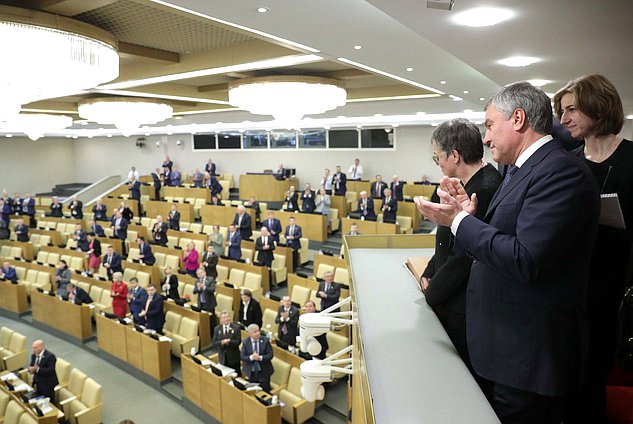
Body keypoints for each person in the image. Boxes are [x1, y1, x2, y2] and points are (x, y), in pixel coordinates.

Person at [415, 81, 600, 423]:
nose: (485, 139)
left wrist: (458, 223)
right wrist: (468, 218)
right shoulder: (520, 171)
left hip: (528, 359)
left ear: (517, 119)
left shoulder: (559, 172)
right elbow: (506, 236)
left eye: (489, 126)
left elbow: (525, 258)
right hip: (506, 352)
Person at [554, 74, 633, 423]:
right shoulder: (569, 160)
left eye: (572, 109)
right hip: (573, 280)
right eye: (561, 110)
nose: (564, 117)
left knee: (597, 368)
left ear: (598, 107)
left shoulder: (631, 158)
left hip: (616, 279)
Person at [420, 118, 502, 384]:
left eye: (437, 157)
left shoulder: (486, 188)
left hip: (465, 304)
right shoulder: (464, 184)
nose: (438, 164)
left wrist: (432, 293)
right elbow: (446, 238)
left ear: (454, 155)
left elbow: (466, 256)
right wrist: (429, 270)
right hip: (452, 293)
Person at [241, 324, 274, 392]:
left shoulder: (265, 340)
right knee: (253, 392)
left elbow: (270, 355)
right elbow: (242, 357)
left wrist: (260, 358)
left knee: (265, 392)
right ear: (250, 333)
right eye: (255, 332)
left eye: (258, 331)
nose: (258, 333)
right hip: (251, 373)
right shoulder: (246, 342)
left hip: (264, 372)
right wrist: (251, 357)